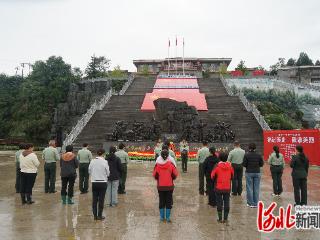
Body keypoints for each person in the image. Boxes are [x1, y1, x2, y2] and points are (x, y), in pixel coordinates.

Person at [153, 149, 178, 222]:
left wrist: (159, 178)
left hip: (160, 186)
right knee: (168, 201)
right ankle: (167, 218)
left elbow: (154, 175)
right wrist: (171, 178)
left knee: (161, 201)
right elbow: (175, 174)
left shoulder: (157, 165)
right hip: (169, 186)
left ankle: (161, 217)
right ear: (168, 156)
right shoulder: (171, 164)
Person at [211, 152, 234, 224]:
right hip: (227, 187)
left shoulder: (217, 166)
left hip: (218, 187)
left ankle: (220, 218)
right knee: (227, 202)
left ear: (219, 158)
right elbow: (232, 176)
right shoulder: (230, 166)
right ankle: (226, 218)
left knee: (219, 202)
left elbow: (212, 176)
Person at [89, 149, 110, 220]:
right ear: (103, 154)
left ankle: (95, 216)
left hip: (94, 182)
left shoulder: (92, 161)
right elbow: (108, 172)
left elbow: (89, 170)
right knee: (101, 199)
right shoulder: (105, 162)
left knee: (94, 199)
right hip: (103, 182)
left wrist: (94, 175)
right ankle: (99, 215)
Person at [243, 143, 264, 208]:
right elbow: (261, 164)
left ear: (249, 148)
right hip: (257, 172)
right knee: (256, 188)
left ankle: (250, 203)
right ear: (255, 148)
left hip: (249, 172)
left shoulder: (246, 155)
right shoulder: (259, 155)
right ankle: (255, 203)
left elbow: (244, 164)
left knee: (249, 188)